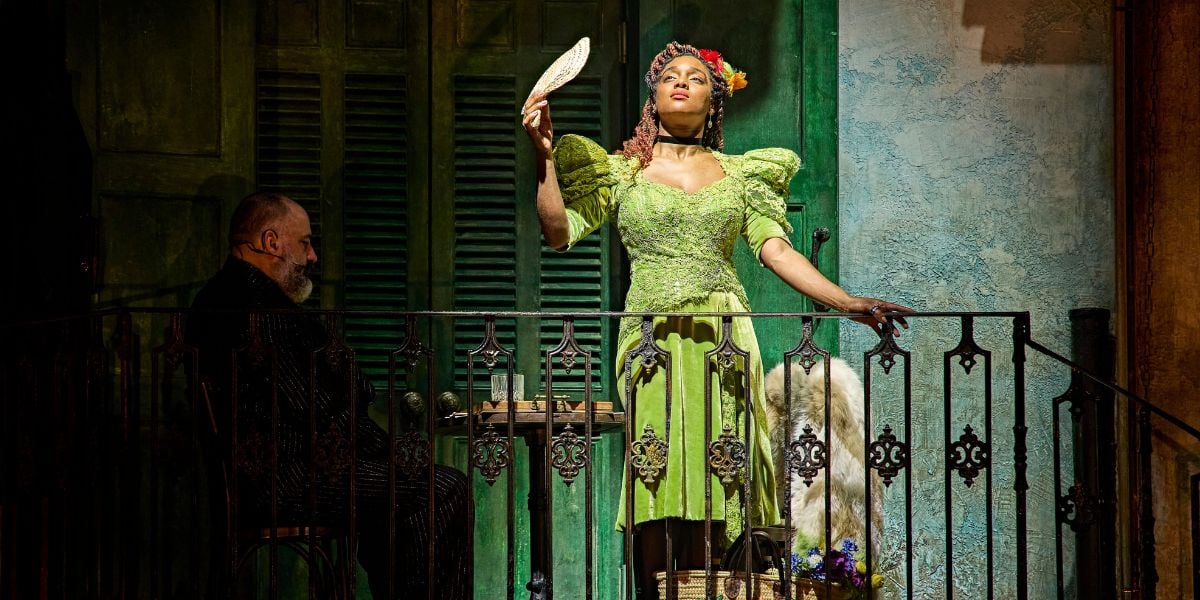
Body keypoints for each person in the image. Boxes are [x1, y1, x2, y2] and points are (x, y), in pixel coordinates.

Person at [522, 41, 912, 598]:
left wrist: (847, 302)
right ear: (654, 97)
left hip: (724, 336)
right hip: (649, 338)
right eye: (670, 76)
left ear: (715, 100)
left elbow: (776, 250)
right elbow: (559, 231)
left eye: (697, 78)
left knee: (721, 467)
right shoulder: (620, 172)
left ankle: (717, 587)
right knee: (656, 467)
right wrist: (544, 156)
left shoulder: (741, 176)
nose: (682, 82)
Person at [187, 192, 471, 599]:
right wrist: (354, 386)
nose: (313, 256)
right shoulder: (260, 308)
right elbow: (314, 404)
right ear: (271, 242)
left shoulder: (223, 296)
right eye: (304, 243)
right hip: (285, 479)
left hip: (272, 473)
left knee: (409, 489)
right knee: (444, 490)